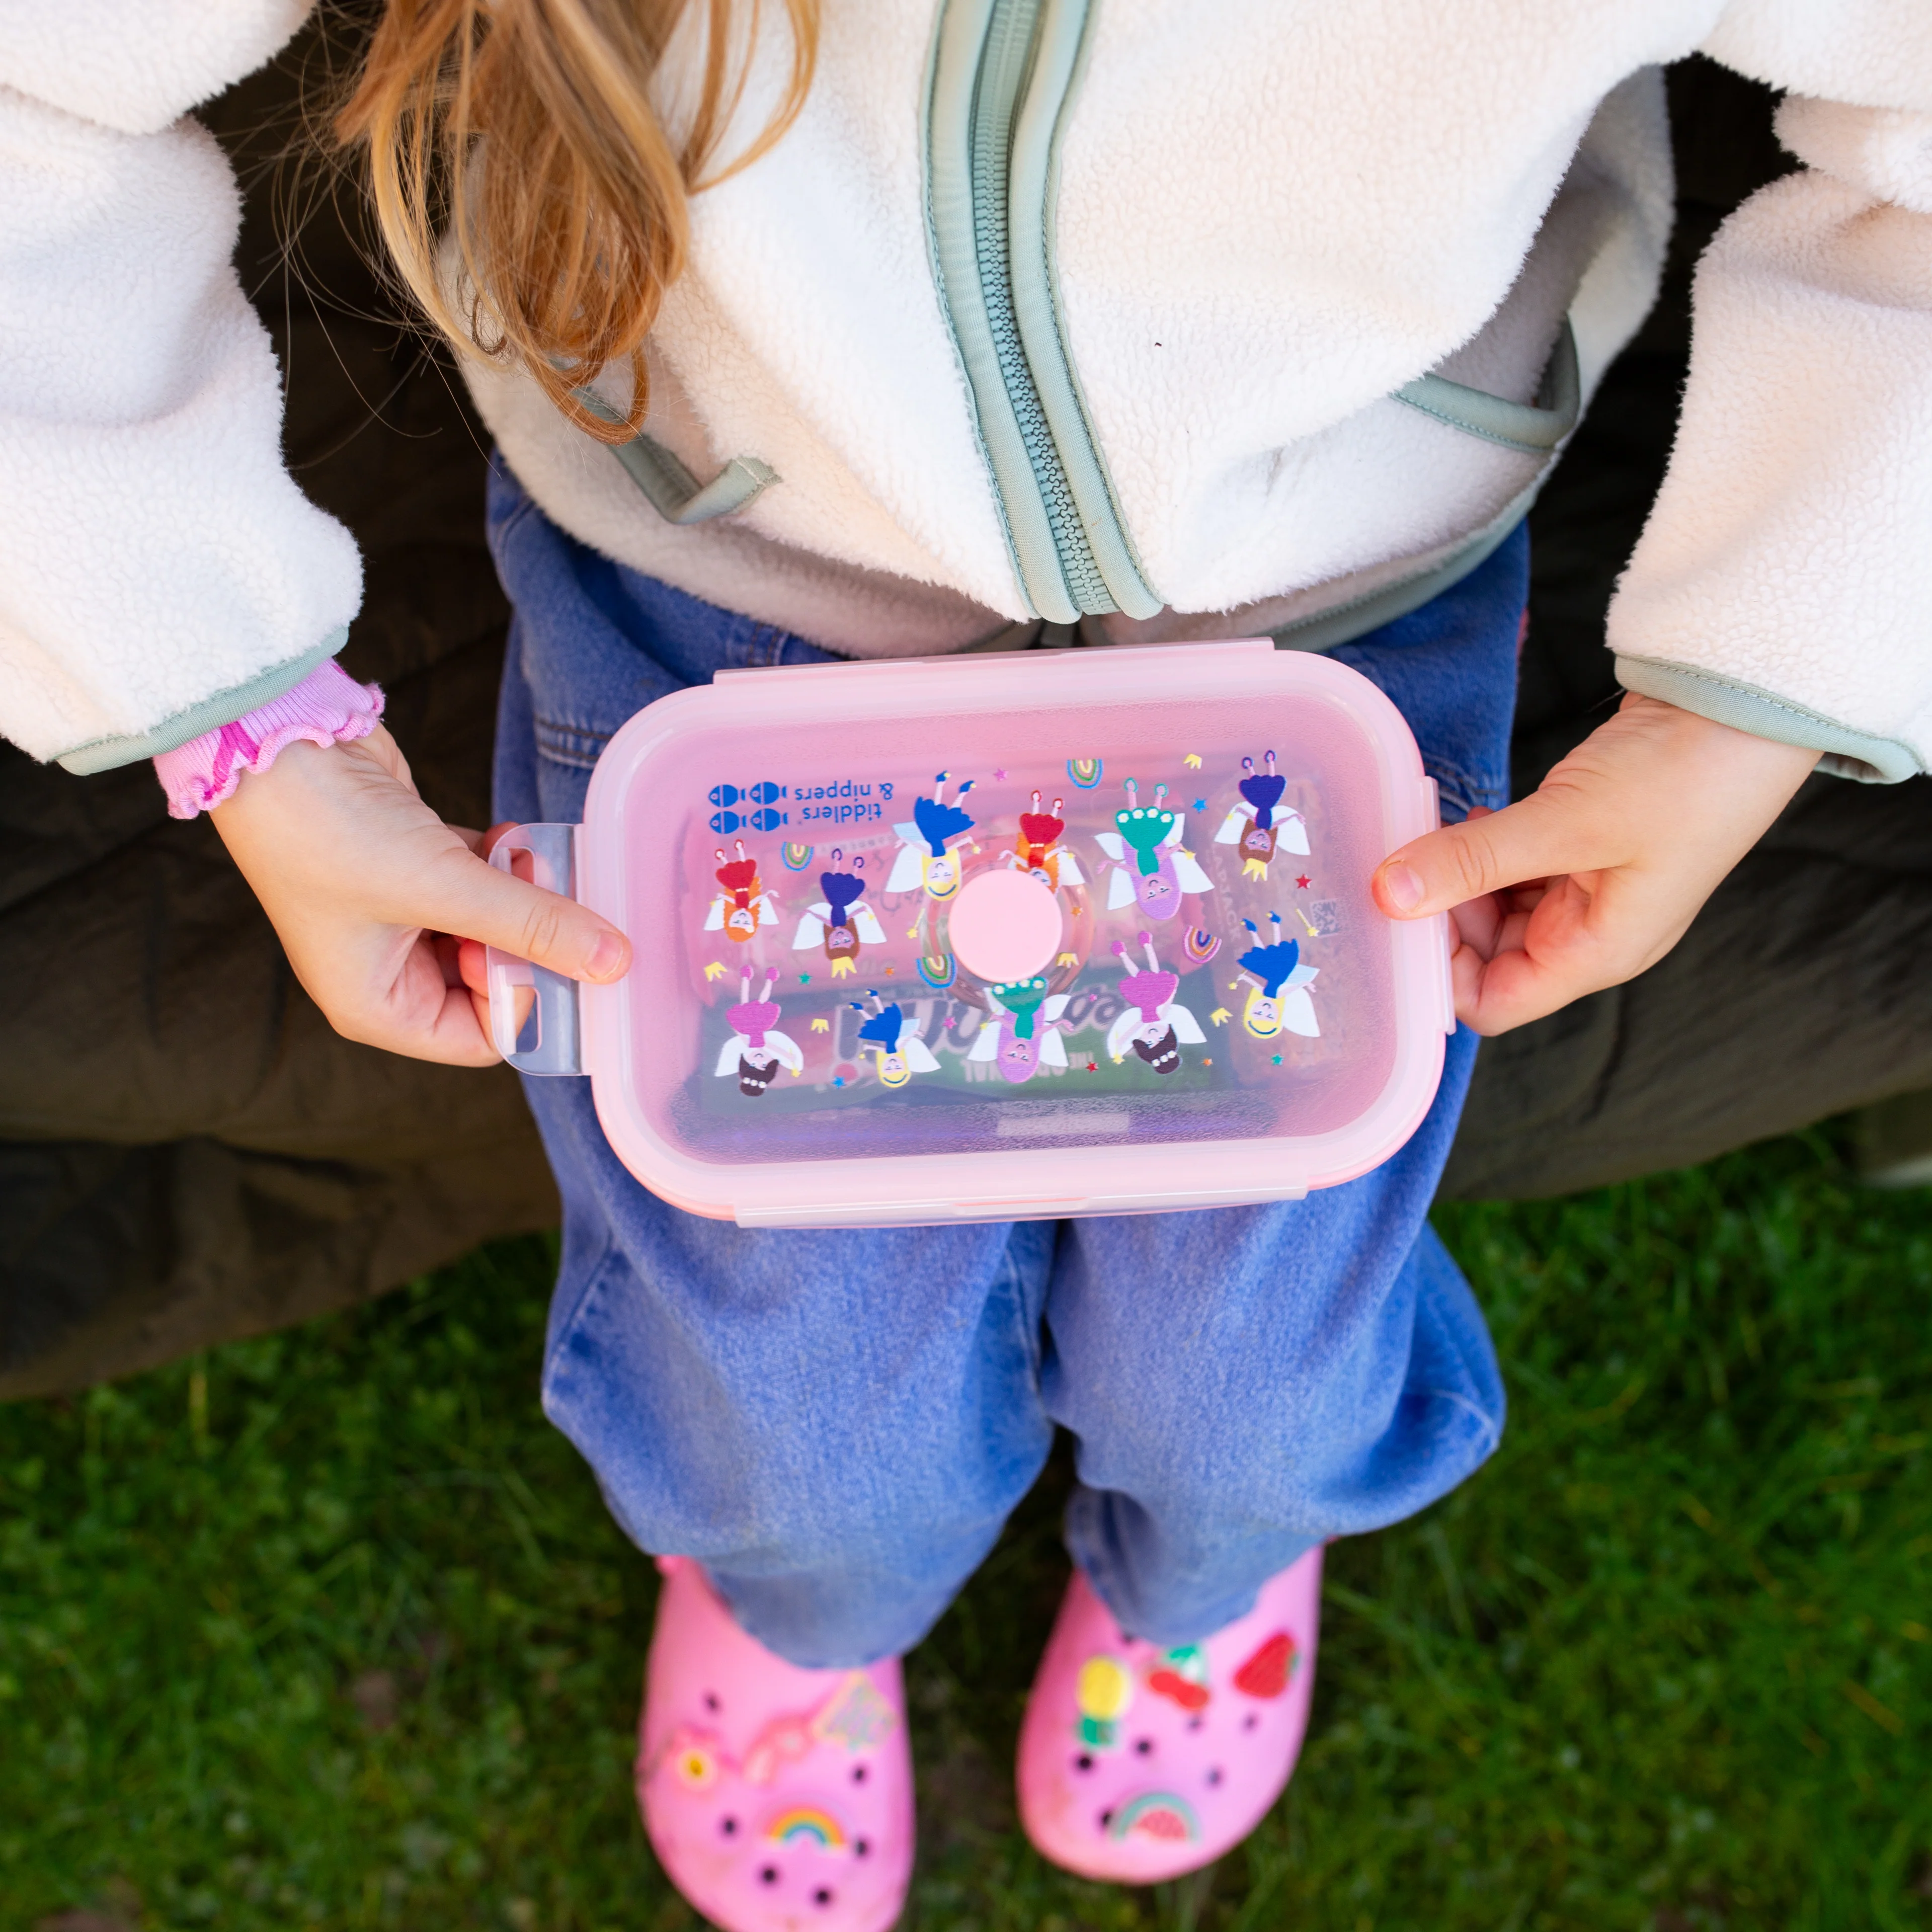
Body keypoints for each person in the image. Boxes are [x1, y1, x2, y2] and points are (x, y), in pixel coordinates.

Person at [4, 3, 1924, 1922]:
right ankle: (809, 1602)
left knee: (1253, 1374)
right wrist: (228, 704)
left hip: (1328, 594)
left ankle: (1213, 1564)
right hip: (729, 606)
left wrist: (1768, 677)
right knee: (793, 1415)